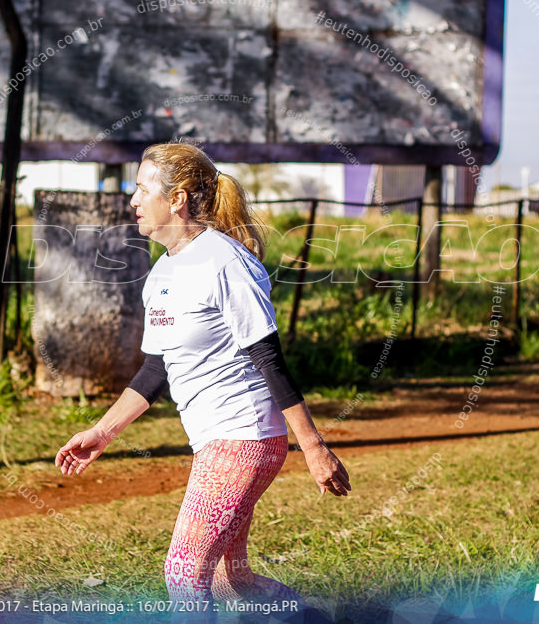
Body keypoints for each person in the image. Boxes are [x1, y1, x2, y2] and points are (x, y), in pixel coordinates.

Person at [55, 142, 350, 621]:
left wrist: (314, 448)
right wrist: (101, 433)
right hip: (218, 438)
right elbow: (155, 370)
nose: (132, 200)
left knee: (184, 571)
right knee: (228, 581)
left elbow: (268, 359)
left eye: (142, 189)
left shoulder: (226, 261)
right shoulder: (163, 271)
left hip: (244, 437)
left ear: (177, 199)